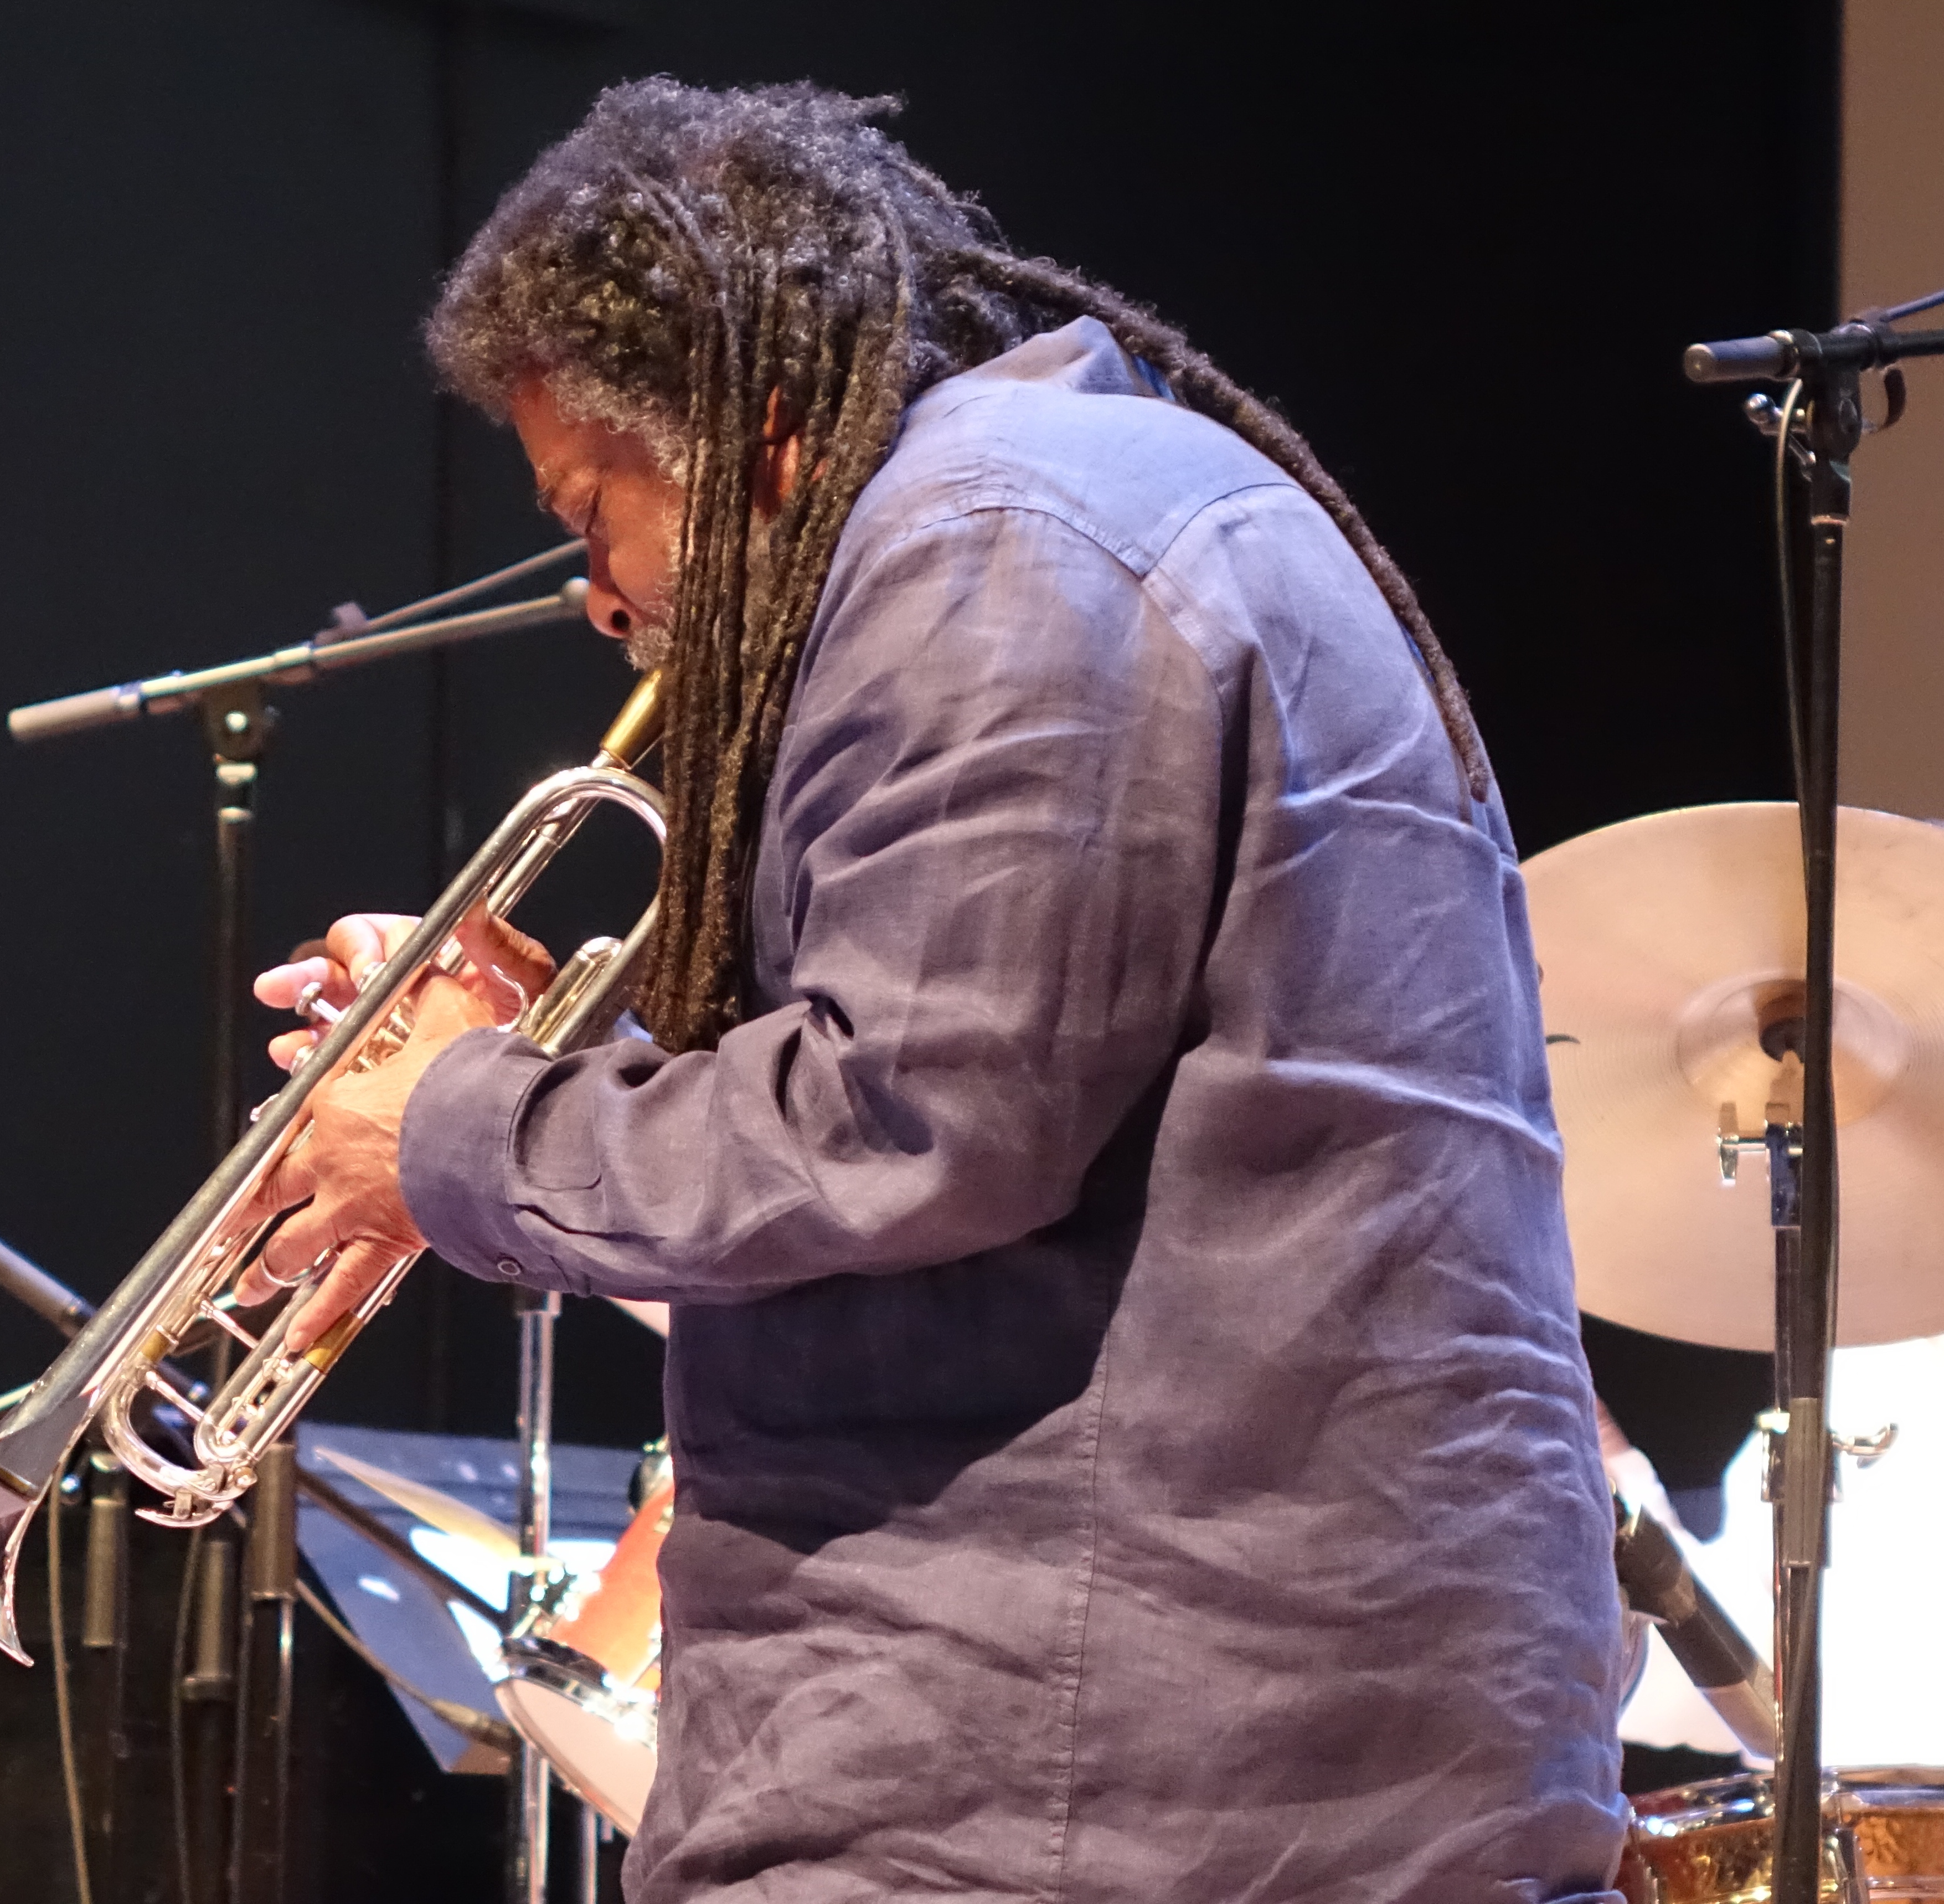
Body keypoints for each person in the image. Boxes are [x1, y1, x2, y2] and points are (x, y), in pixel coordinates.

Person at [245, 81, 1628, 1903]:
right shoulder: (1065, 513)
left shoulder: (999, 548)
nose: (598, 597)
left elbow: (905, 1123)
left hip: (1092, 1778)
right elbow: (994, 1087)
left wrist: (449, 1123)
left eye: (595, 509)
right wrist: (558, 1061)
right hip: (1163, 1752)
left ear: (764, 435)